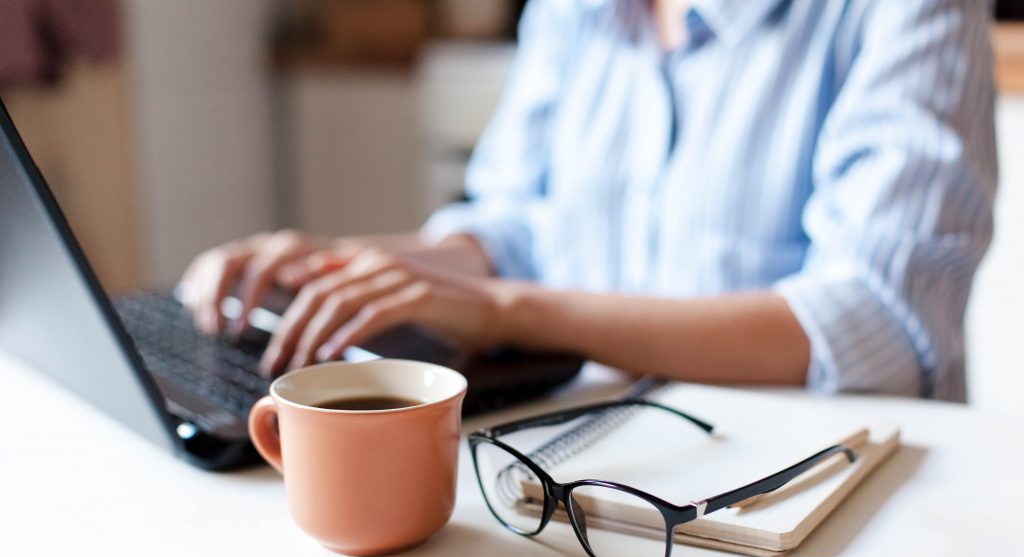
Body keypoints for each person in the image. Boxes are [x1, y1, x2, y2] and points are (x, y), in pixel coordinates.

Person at [181, 0, 997, 402]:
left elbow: (878, 323)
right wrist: (347, 265)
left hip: (814, 496)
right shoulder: (575, 8)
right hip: (595, 459)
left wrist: (507, 308)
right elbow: (522, 222)